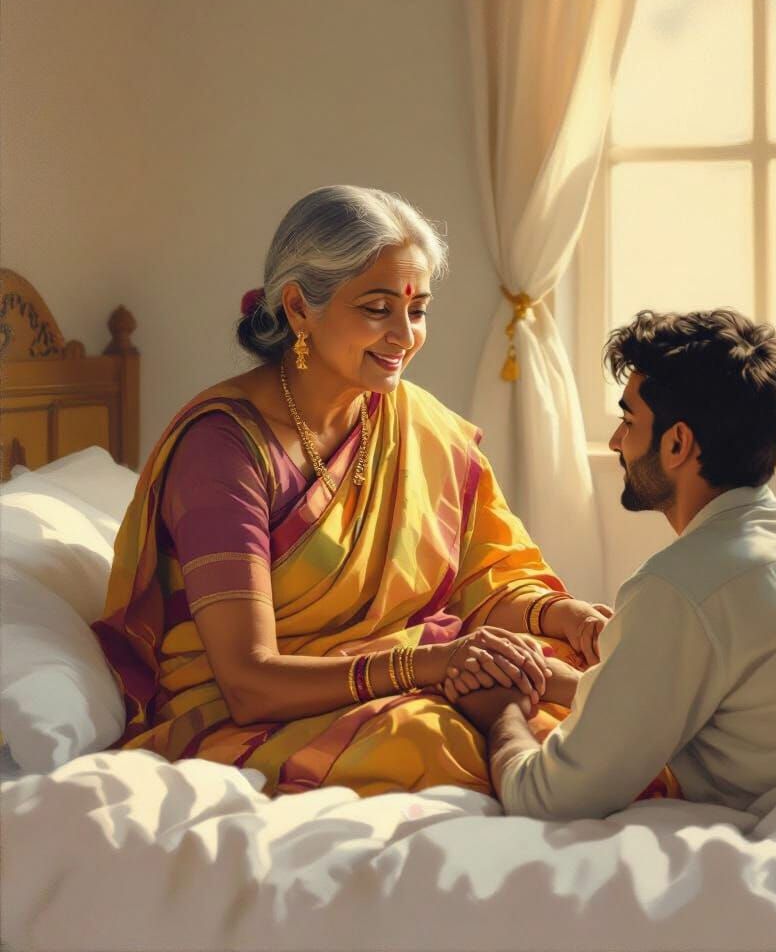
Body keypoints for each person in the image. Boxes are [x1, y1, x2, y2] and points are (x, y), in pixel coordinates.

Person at [92, 184, 684, 800]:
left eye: (418, 310)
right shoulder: (222, 451)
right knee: (438, 738)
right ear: (298, 308)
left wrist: (568, 617)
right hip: (263, 712)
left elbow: (484, 580)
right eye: (377, 309)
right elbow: (249, 683)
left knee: (572, 666)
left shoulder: (414, 421)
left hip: (407, 663)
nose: (405, 335)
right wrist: (429, 666)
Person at [448, 308, 776, 820]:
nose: (615, 442)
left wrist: (501, 714)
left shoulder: (676, 589)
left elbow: (547, 797)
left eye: (629, 422)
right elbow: (714, 691)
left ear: (677, 444)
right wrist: (560, 678)